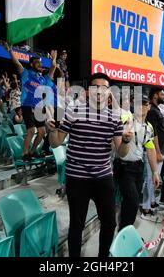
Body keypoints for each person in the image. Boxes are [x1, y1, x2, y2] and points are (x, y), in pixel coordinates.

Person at [47, 73, 133, 257]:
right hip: (77, 178)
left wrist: (126, 142)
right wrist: (52, 130)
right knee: (77, 224)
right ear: (88, 91)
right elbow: (56, 142)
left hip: (103, 177)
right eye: (95, 87)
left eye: (104, 87)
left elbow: (121, 153)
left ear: (109, 92)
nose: (99, 91)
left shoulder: (114, 117)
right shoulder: (73, 110)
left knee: (109, 222)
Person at [5, 44, 57, 160]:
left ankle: (32, 152)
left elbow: (53, 69)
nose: (40, 64)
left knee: (42, 132)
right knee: (31, 130)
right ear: (32, 65)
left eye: (40, 62)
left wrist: (53, 60)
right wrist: (10, 52)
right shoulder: (26, 74)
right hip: (27, 106)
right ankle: (24, 154)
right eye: (37, 63)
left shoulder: (43, 79)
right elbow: (17, 63)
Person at [116, 95, 160, 229]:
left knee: (130, 201)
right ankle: (125, 231)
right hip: (123, 167)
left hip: (138, 168)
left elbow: (150, 149)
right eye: (138, 104)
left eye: (144, 104)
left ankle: (125, 230)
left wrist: (154, 172)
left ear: (149, 107)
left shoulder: (149, 127)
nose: (141, 107)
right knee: (133, 201)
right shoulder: (126, 119)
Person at [145, 87, 164, 207]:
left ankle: (152, 201)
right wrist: (157, 152)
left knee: (154, 179)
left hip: (159, 150)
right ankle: (146, 206)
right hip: (155, 151)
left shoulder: (156, 109)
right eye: (162, 94)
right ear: (155, 95)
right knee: (150, 178)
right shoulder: (152, 111)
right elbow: (154, 134)